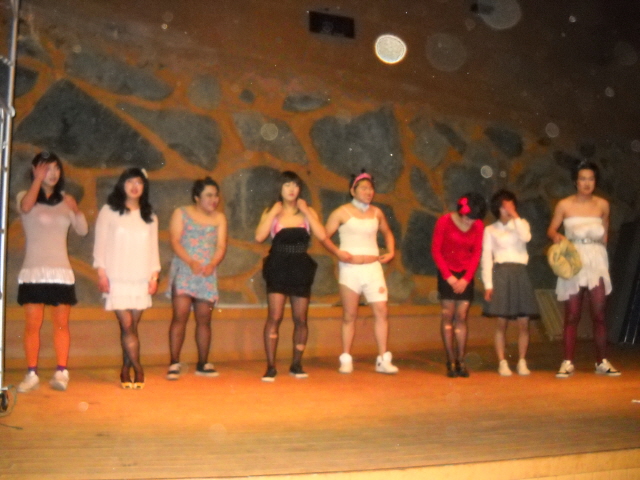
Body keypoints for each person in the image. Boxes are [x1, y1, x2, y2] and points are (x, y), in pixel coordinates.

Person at [15, 152, 88, 393]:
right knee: (32, 324)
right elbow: (26, 208)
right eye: (47, 168)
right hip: (33, 271)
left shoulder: (66, 200)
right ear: (35, 170)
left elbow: (82, 230)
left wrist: (76, 209)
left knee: (61, 324)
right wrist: (37, 180)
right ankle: (31, 374)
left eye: (56, 168)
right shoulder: (24, 196)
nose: (53, 173)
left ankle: (61, 371)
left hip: (60, 272)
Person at [547, 161, 620, 378]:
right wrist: (558, 237)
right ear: (575, 181)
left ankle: (602, 362)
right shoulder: (564, 205)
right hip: (574, 258)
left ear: (595, 181)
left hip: (596, 259)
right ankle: (567, 361)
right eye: (582, 179)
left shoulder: (603, 205)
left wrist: (599, 255)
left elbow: (605, 234)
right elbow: (551, 230)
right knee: (572, 314)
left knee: (599, 312)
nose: (587, 183)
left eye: (591, 179)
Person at [322, 171, 398, 375]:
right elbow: (324, 236)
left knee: (381, 311)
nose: (368, 192)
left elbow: (387, 232)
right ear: (352, 190)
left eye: (370, 188)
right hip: (350, 269)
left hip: (373, 268)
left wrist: (391, 252)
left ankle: (383, 359)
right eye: (363, 188)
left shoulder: (377, 212)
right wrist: (338, 252)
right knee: (350, 315)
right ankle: (346, 358)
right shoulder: (341, 212)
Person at [255, 171, 326, 381]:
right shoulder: (272, 211)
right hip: (278, 266)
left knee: (300, 318)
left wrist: (307, 211)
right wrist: (272, 213)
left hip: (300, 267)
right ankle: (270, 367)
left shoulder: (307, 211)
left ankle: (296, 364)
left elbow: (322, 235)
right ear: (280, 188)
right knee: (275, 316)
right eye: (287, 185)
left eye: (295, 185)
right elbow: (259, 237)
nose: (291, 189)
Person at [93, 168, 161, 389]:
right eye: (130, 181)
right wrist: (101, 273)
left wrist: (154, 276)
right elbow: (100, 245)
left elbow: (153, 250)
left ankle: (125, 368)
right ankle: (138, 368)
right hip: (117, 279)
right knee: (128, 325)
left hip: (140, 279)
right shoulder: (109, 211)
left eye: (139, 182)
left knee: (129, 329)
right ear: (122, 184)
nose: (134, 186)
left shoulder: (150, 216)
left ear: (144, 187)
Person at [166, 177, 227, 380]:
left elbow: (221, 246)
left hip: (207, 273)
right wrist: (190, 261)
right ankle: (174, 363)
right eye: (209, 195)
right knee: (180, 316)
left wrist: (212, 264)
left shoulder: (219, 218)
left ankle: (203, 363)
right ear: (197, 197)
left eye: (216, 195)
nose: (214, 199)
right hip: (185, 269)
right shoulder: (181, 213)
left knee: (204, 319)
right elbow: (175, 240)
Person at [482, 190, 538, 376]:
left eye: (511, 205)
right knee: (501, 322)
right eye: (505, 206)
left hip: (520, 273)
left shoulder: (521, 224)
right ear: (497, 208)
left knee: (524, 322)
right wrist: (488, 285)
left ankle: (522, 361)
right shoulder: (490, 230)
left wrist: (515, 216)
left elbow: (526, 237)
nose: (508, 209)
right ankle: (502, 362)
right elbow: (486, 258)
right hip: (501, 274)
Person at [431, 192, 486, 378]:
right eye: (468, 218)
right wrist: (449, 277)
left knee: (461, 316)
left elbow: (476, 253)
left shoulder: (478, 225)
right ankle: (450, 360)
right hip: (447, 273)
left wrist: (466, 279)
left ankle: (461, 360)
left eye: (474, 219)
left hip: (465, 274)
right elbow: (436, 250)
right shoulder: (444, 221)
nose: (471, 222)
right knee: (448, 315)